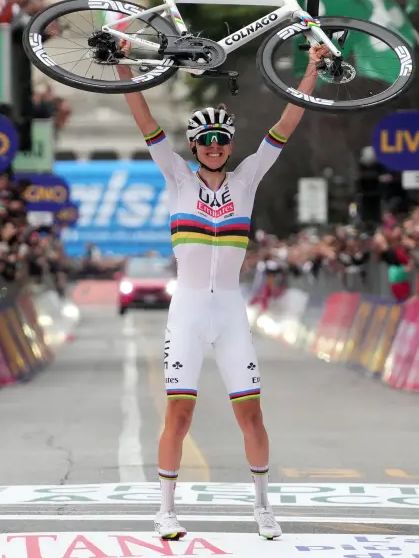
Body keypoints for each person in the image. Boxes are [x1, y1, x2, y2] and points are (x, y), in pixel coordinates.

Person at [115, 40, 330, 541]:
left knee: (251, 415)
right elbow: (142, 114)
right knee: (179, 414)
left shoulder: (248, 179)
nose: (213, 145)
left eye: (221, 139)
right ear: (194, 146)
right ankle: (165, 511)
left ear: (230, 145)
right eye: (205, 139)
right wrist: (124, 63)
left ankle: (262, 507)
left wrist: (312, 71)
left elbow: (286, 125)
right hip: (188, 311)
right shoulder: (176, 177)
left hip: (230, 312)